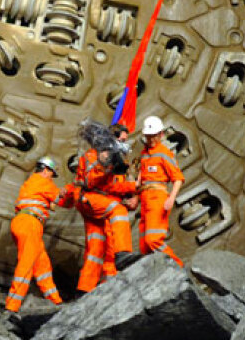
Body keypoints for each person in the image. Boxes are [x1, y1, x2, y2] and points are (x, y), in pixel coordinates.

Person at [73, 124, 137, 293]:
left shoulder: (117, 162)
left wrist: (133, 193)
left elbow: (116, 187)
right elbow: (91, 182)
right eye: (120, 139)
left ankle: (84, 290)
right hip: (90, 198)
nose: (122, 143)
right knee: (118, 211)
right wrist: (106, 163)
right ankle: (123, 254)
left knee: (96, 249)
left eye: (124, 140)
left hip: (97, 203)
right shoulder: (93, 156)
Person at [2, 157, 64, 314]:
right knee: (26, 264)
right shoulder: (44, 182)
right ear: (45, 170)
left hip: (24, 222)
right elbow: (62, 200)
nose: (51, 177)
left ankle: (56, 302)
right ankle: (11, 306)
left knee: (41, 263)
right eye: (52, 174)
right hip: (30, 223)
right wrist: (73, 191)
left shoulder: (31, 182)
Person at [135, 115, 184, 265]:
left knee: (153, 239)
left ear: (161, 135)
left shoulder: (164, 153)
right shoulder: (144, 154)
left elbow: (178, 178)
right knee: (144, 245)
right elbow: (141, 176)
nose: (150, 140)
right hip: (145, 198)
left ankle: (177, 266)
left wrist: (171, 198)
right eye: (148, 136)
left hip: (158, 198)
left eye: (153, 136)